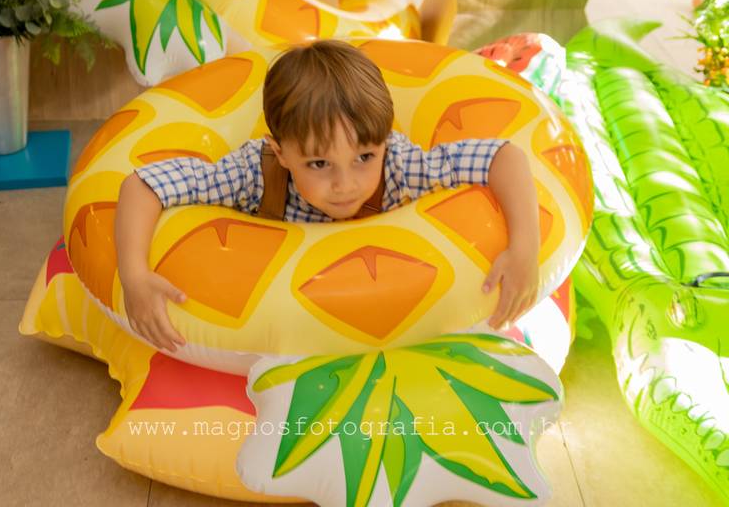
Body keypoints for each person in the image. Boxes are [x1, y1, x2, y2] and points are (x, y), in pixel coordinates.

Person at [115, 39, 540, 352]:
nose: (346, 183)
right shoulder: (254, 173)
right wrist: (134, 277)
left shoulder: (399, 165)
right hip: (285, 330)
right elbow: (143, 184)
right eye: (319, 164)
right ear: (282, 153)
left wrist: (524, 249)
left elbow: (504, 157)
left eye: (363, 157)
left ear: (383, 143)